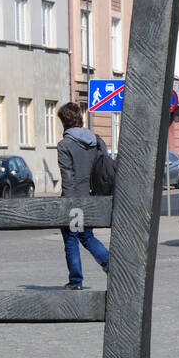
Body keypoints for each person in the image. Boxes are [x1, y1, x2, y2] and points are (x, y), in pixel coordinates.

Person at [56, 101, 111, 290]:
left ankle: (76, 280)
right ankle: (110, 265)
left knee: (71, 237)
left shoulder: (65, 145)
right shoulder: (96, 140)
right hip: (95, 197)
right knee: (86, 236)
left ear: (64, 121)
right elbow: (104, 168)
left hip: (75, 199)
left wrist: (68, 204)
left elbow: (68, 177)